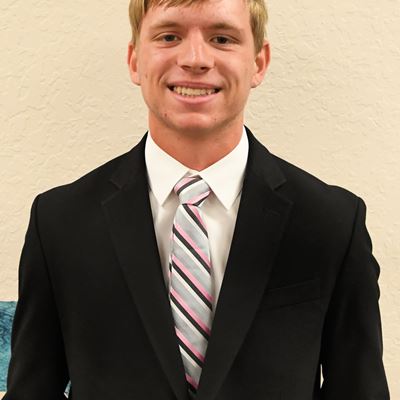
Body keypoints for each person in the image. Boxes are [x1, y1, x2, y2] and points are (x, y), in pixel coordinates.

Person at [4, 0, 390, 399]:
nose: (194, 59)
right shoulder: (60, 224)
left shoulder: (332, 223)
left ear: (258, 62)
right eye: (169, 36)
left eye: (221, 38)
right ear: (135, 60)